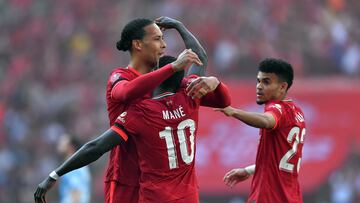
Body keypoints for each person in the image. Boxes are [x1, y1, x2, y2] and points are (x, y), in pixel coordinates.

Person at [34, 55, 231, 203]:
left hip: (156, 197)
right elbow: (200, 57)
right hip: (189, 196)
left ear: (157, 76)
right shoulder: (190, 98)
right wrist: (215, 81)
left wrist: (55, 174)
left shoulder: (141, 112)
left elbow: (96, 147)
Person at [103, 17, 205, 203]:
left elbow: (199, 59)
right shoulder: (119, 77)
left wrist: (179, 25)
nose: (164, 45)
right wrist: (172, 67)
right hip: (125, 180)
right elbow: (125, 92)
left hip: (153, 184)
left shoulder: (164, 85)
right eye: (158, 39)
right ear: (138, 44)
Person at [216, 58, 306, 203]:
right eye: (258, 81)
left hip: (270, 197)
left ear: (282, 87)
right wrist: (249, 170)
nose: (259, 86)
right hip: (292, 197)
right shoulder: (298, 112)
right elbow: (281, 161)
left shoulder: (277, 109)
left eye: (266, 82)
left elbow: (266, 121)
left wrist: (233, 112)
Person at [57, 134, 91, 203]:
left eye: (62, 142)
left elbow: (76, 192)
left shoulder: (72, 167)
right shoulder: (79, 164)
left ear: (71, 147)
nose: (59, 144)